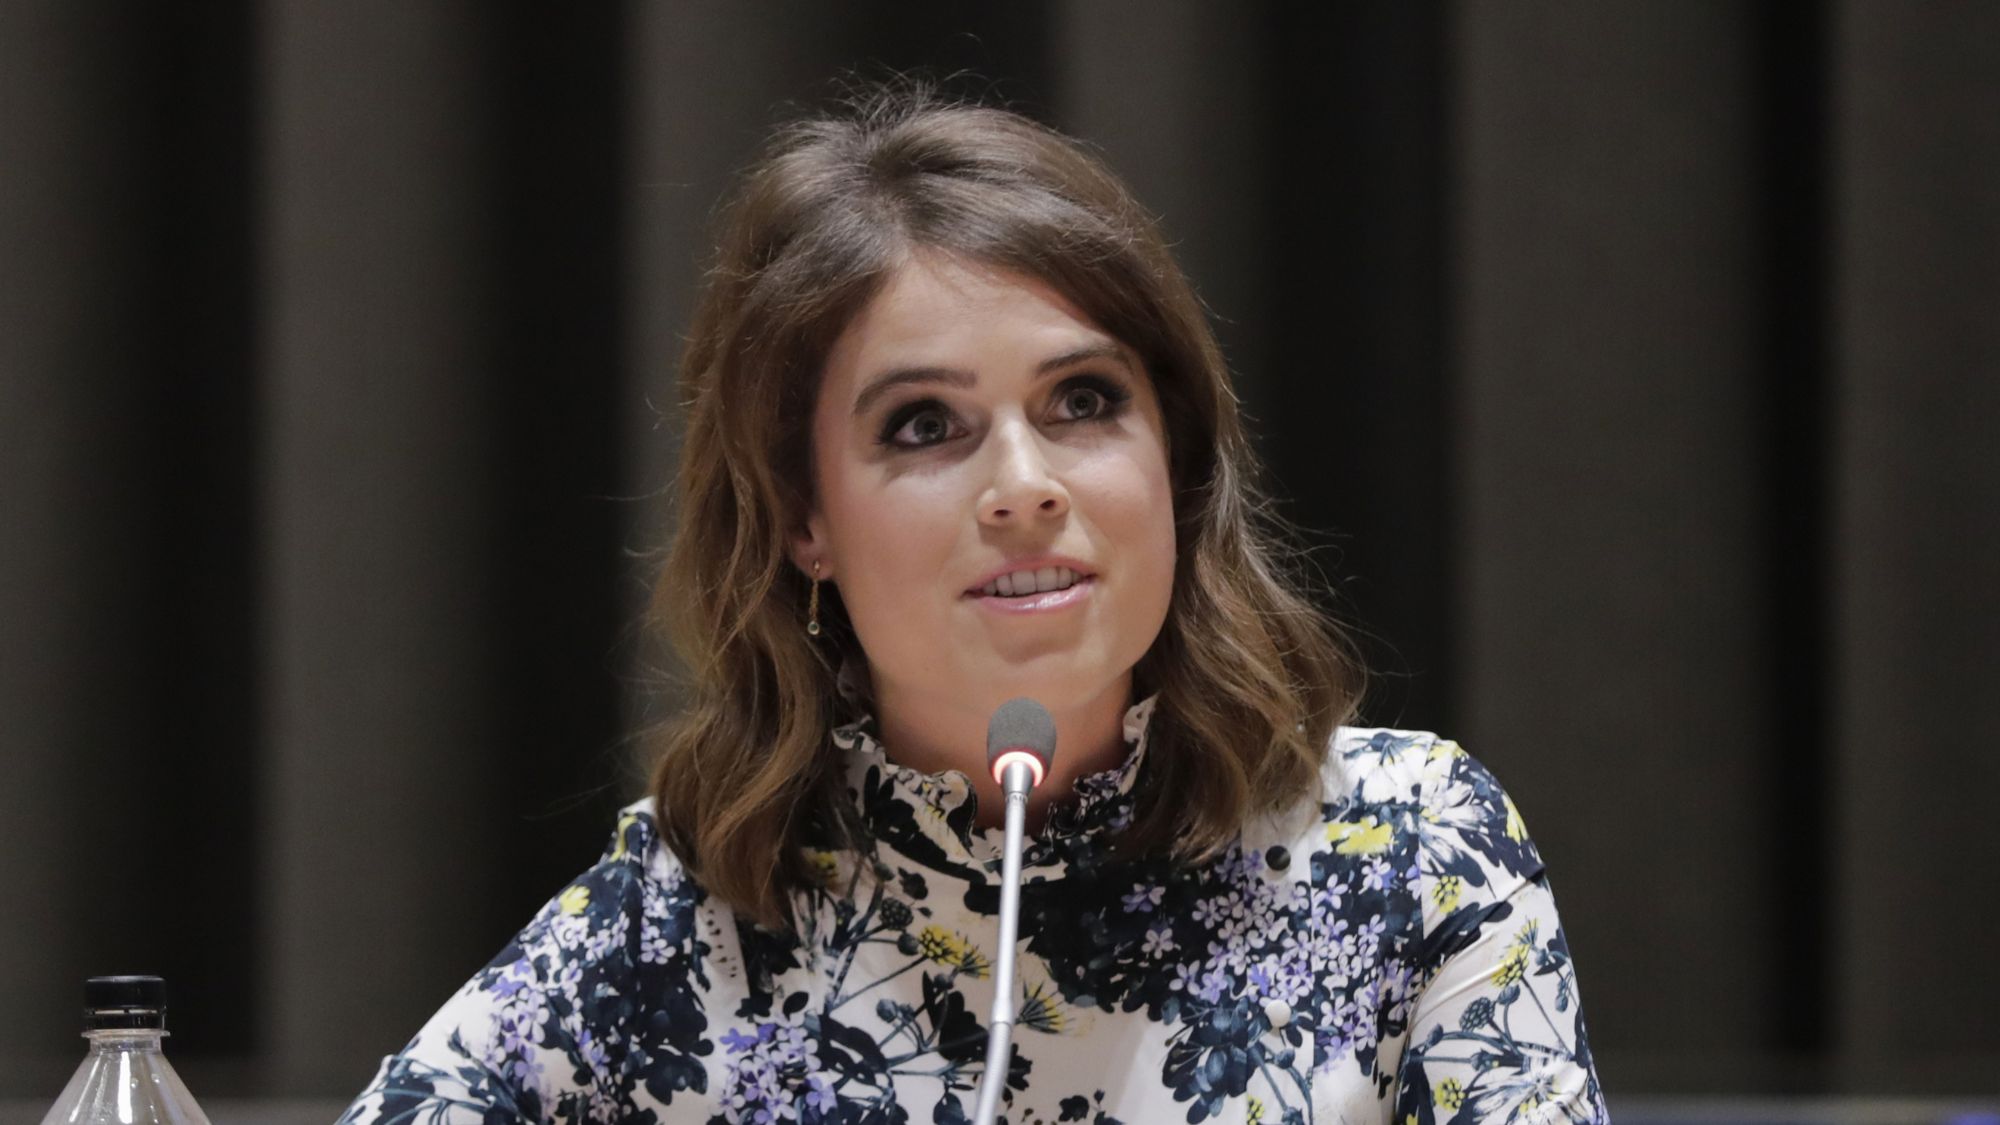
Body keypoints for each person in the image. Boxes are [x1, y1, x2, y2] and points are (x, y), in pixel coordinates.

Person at [339, 83, 1608, 1125]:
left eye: (1082, 403)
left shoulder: (1411, 849)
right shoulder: (682, 916)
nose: (1023, 485)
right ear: (803, 519)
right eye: (923, 425)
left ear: (1172, 459)